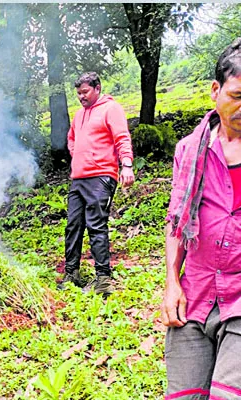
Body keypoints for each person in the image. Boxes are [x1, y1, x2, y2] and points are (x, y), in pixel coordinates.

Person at [162, 37, 241, 400]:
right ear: (215, 90)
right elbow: (177, 220)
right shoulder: (190, 150)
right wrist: (171, 284)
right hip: (196, 294)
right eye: (238, 95)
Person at [60, 71, 135, 296]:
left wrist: (127, 165)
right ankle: (72, 272)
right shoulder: (78, 115)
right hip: (79, 178)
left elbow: (122, 137)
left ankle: (103, 278)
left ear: (97, 88)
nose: (81, 97)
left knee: (96, 225)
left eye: (85, 92)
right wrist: (77, 154)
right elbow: (71, 138)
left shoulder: (111, 109)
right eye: (78, 93)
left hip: (101, 176)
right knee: (73, 226)